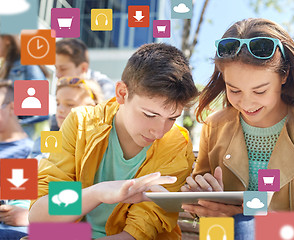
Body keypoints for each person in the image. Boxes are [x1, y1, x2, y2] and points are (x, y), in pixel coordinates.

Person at [181, 18, 294, 240]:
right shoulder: (215, 126)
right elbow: (198, 210)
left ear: (284, 75)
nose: (247, 104)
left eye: (260, 91)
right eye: (234, 90)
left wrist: (256, 219)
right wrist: (202, 199)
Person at [28, 43, 199, 240]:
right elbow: (40, 217)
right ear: (122, 93)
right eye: (150, 115)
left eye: (172, 118)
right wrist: (97, 193)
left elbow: (136, 235)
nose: (159, 132)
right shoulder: (81, 123)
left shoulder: (175, 144)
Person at [30, 77, 105, 159]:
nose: (60, 110)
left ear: (91, 108)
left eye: (70, 104)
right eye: (58, 103)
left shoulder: (103, 142)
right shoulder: (50, 139)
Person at [0, 81, 33, 240]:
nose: (61, 110)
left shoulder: (29, 150)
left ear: (12, 107)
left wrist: (30, 217)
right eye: (58, 104)